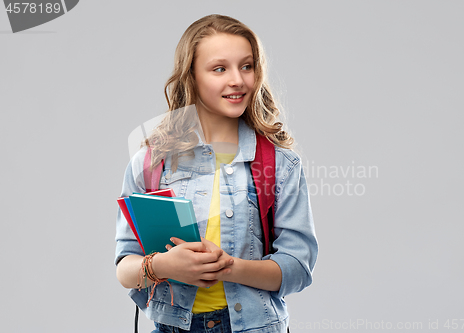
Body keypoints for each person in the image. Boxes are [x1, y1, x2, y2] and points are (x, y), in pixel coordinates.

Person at [115, 14, 318, 333]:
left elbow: (298, 269)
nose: (238, 80)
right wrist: (161, 266)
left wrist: (229, 267)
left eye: (247, 66)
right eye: (219, 68)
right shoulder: (150, 163)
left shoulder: (280, 164)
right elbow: (125, 267)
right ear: (192, 77)